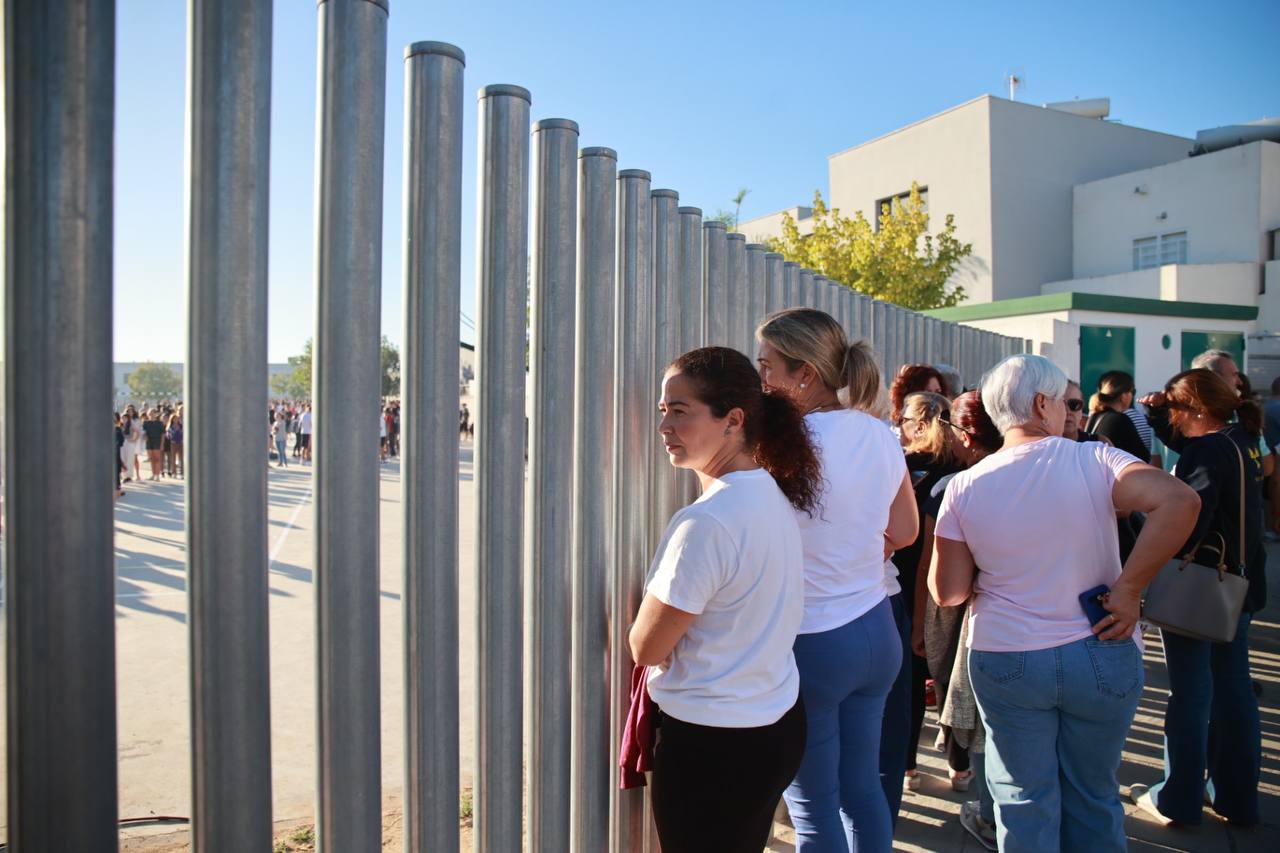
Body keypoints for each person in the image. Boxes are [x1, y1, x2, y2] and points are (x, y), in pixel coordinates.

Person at [930, 354, 1199, 853]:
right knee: (1094, 796)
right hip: (1100, 646)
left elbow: (948, 591)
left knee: (1021, 800)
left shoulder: (965, 485)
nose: (1070, 413)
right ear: (1040, 404)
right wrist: (1129, 589)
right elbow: (1180, 501)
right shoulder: (1094, 459)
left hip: (1007, 657)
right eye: (1065, 403)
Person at [629, 346, 818, 853]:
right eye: (663, 410)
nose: (665, 425)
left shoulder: (706, 522)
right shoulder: (768, 494)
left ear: (733, 420)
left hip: (714, 742)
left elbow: (646, 647)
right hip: (772, 723)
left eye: (680, 410)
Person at [757, 309, 919, 852]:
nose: (761, 382)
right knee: (862, 792)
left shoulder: (780, 443)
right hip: (876, 630)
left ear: (804, 373)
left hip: (816, 642)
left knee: (815, 810)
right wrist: (852, 547)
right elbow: (905, 529)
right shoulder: (880, 433)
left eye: (767, 367)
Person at [1131, 369, 1264, 827]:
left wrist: (1146, 571)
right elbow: (1186, 446)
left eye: (1175, 408)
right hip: (1238, 587)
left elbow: (1189, 514)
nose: (1171, 417)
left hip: (1199, 586)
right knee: (1234, 694)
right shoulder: (1241, 439)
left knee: (1191, 694)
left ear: (1198, 409)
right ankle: (1236, 798)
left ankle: (1179, 799)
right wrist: (1153, 410)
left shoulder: (1208, 449)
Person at [893, 392, 968, 796]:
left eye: (904, 418)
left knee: (909, 684)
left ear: (920, 425)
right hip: (955, 584)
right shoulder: (961, 466)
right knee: (952, 675)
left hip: (907, 584)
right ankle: (960, 766)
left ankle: (907, 766)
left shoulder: (904, 468)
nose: (900, 425)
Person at [1085, 371, 1148, 460]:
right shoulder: (1121, 419)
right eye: (1132, 391)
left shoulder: (1095, 417)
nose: (1132, 396)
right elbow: (1143, 456)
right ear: (1123, 396)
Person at [142, 408, 165, 481]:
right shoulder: (145, 423)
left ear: (155, 414)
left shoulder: (159, 423)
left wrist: (162, 444)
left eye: (153, 413)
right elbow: (143, 432)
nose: (151, 414)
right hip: (149, 442)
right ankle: (153, 474)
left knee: (157, 459)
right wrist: (144, 436)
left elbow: (163, 434)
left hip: (157, 441)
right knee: (151, 459)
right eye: (150, 413)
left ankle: (157, 475)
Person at [166, 412, 183, 478]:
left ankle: (182, 473)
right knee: (173, 458)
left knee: (181, 458)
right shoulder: (170, 426)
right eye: (174, 418)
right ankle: (174, 473)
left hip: (180, 443)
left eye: (177, 418)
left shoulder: (181, 426)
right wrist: (170, 437)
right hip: (173, 443)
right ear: (172, 419)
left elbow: (183, 433)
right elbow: (168, 434)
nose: (176, 420)